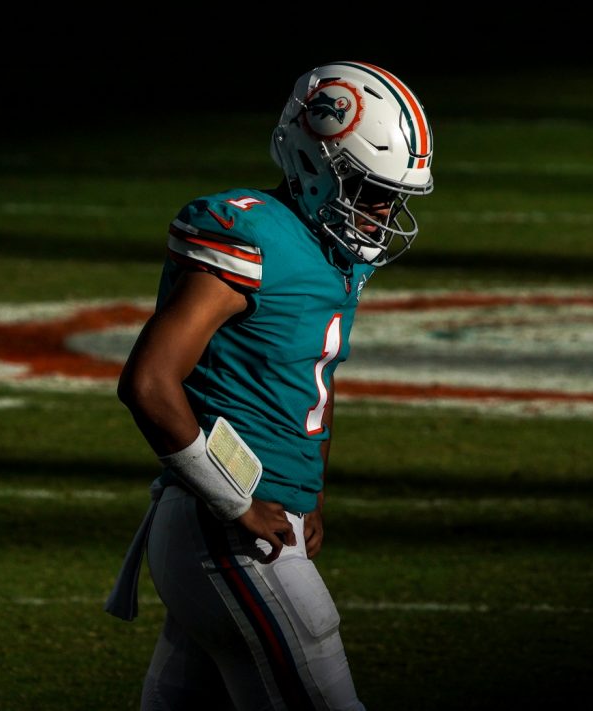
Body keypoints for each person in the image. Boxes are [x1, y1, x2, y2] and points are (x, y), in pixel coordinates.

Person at [107, 61, 434, 710]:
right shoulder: (249, 231)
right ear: (315, 161)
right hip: (227, 530)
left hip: (248, 522)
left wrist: (308, 495)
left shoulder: (331, 255)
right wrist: (234, 500)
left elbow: (311, 382)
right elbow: (149, 380)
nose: (383, 211)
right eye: (370, 189)